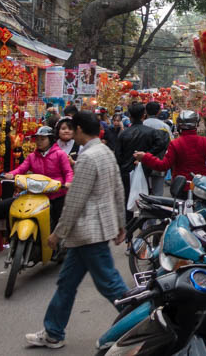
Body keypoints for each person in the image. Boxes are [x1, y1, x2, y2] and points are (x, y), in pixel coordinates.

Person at [25, 112, 129, 349]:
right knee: (67, 283)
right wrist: (121, 223)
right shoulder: (104, 152)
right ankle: (53, 331)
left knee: (110, 284)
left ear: (80, 130)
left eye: (74, 129)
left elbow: (75, 201)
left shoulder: (88, 157)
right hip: (92, 232)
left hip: (88, 233)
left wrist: (57, 233)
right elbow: (118, 189)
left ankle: (140, 321)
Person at [1, 126, 74, 230]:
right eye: (37, 139)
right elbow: (21, 169)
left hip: (57, 193)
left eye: (42, 139)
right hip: (37, 193)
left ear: (50, 139)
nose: (39, 142)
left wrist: (68, 183)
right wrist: (11, 174)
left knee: (58, 218)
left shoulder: (60, 154)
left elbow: (68, 172)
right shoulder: (32, 156)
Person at [134, 110, 206, 184]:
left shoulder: (175, 143)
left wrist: (145, 157)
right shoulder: (204, 141)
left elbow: (163, 166)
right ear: (196, 124)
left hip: (181, 185)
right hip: (201, 184)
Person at [115, 102, 167, 221]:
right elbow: (161, 144)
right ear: (143, 115)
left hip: (126, 171)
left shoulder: (124, 134)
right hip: (145, 170)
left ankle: (128, 228)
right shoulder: (151, 132)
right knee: (146, 197)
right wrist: (146, 156)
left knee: (127, 199)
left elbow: (118, 155)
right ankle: (145, 224)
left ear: (130, 117)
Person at [142, 102, 172, 196]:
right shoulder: (164, 126)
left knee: (143, 190)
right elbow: (171, 144)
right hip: (160, 162)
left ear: (146, 111)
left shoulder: (142, 125)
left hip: (142, 161)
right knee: (158, 192)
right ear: (159, 111)